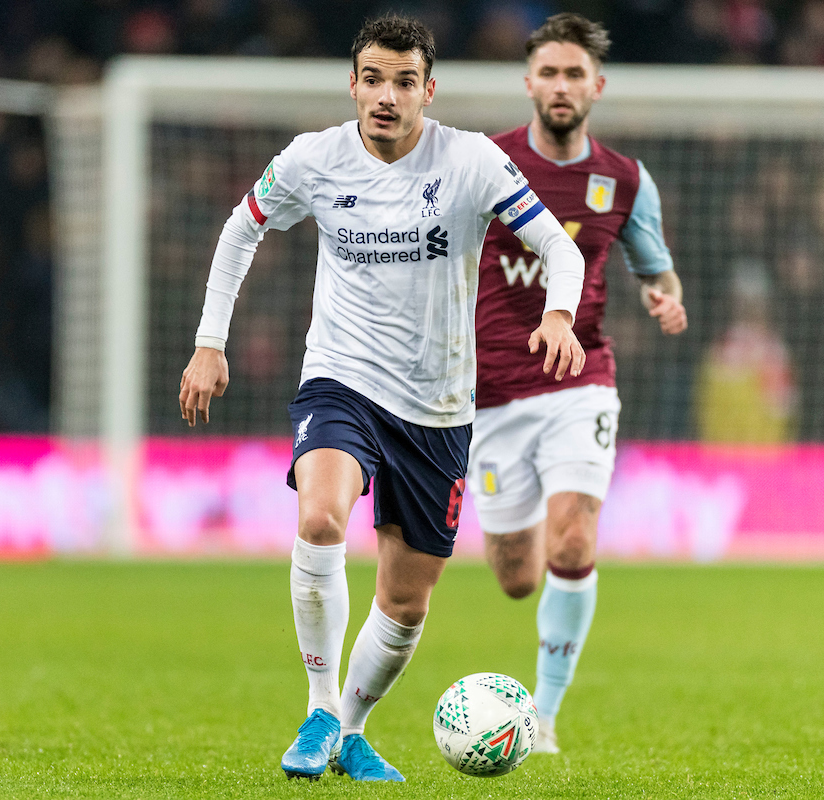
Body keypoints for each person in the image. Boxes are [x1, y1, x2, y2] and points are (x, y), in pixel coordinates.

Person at [179, 14, 587, 782]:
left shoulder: (471, 162)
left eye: (405, 82)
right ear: (355, 84)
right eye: (373, 79)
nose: (387, 96)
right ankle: (321, 707)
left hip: (437, 408)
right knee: (322, 514)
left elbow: (558, 248)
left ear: (428, 90)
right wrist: (210, 341)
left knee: (404, 604)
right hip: (342, 378)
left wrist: (558, 313)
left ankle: (352, 729)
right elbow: (242, 230)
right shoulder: (314, 158)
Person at [469, 13, 688, 755]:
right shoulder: (484, 164)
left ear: (597, 86)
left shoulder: (622, 178)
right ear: (528, 82)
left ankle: (545, 716)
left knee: (572, 538)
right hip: (492, 391)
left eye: (575, 74)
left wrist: (665, 295)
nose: (561, 86)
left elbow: (655, 265)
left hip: (581, 379)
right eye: (549, 73)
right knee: (516, 576)